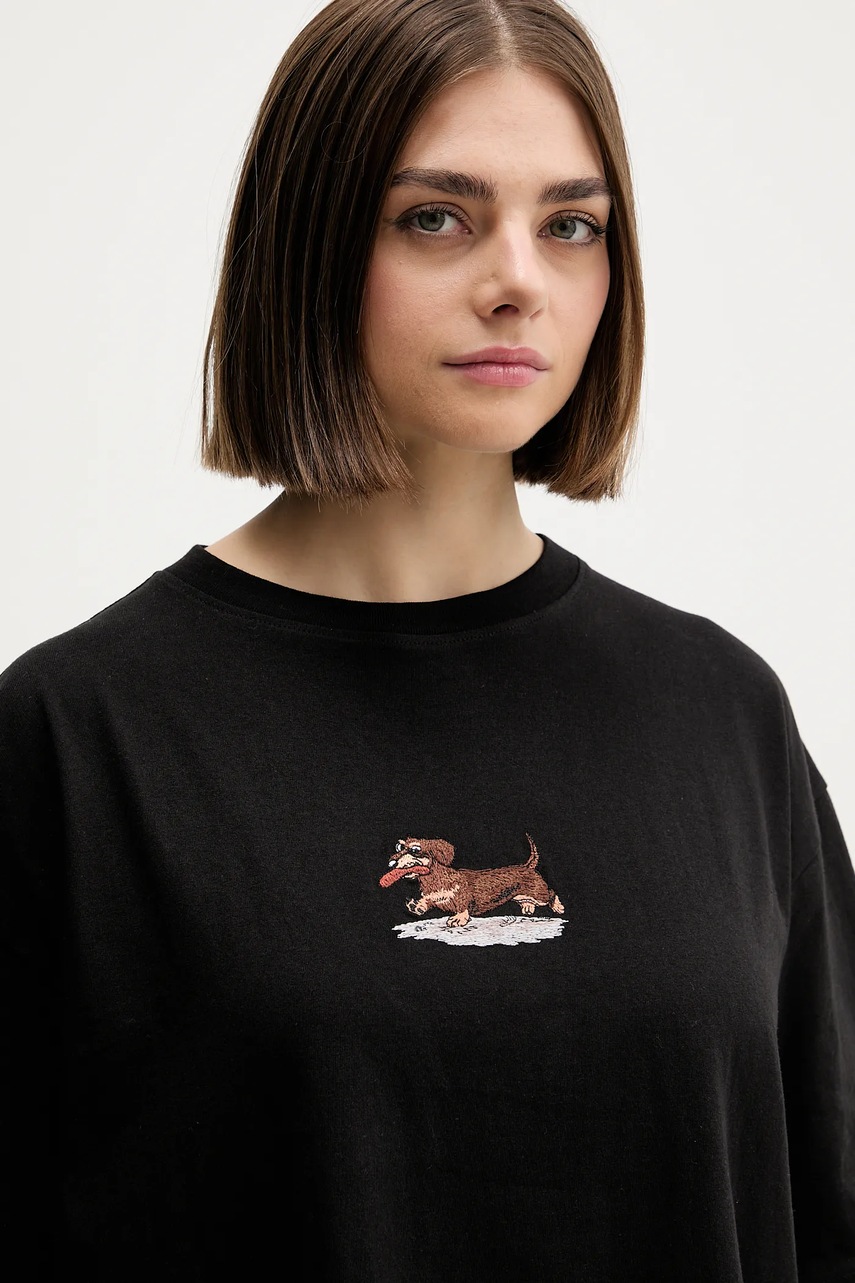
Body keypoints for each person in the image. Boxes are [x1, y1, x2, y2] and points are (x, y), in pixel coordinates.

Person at [2, 0, 853, 1278]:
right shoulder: (78, 735)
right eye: (437, 217)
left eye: (570, 224)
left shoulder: (722, 712)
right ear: (310, 244)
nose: (519, 280)